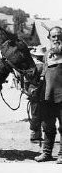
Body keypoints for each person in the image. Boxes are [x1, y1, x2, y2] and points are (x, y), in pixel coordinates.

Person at [34, 26, 62, 164]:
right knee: (47, 125)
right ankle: (47, 153)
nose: (56, 39)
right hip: (48, 95)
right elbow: (44, 73)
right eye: (53, 36)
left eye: (59, 36)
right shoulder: (46, 55)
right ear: (49, 38)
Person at [26, 46, 46, 142]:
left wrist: (27, 90)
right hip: (40, 91)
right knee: (39, 113)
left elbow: (26, 80)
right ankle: (35, 135)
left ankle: (36, 134)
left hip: (32, 90)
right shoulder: (42, 66)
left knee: (35, 112)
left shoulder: (31, 66)